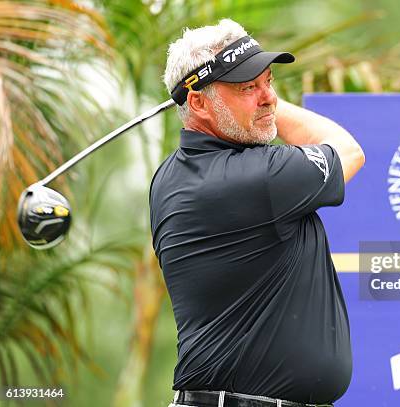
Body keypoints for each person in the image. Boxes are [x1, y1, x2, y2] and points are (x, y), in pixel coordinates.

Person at [149, 19, 365, 407]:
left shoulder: (171, 175)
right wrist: (267, 109)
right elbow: (348, 151)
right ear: (197, 102)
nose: (268, 98)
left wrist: (252, 101)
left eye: (269, 82)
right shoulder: (254, 177)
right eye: (248, 87)